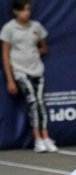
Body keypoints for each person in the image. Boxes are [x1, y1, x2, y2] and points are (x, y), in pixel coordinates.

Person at [0, 0, 57, 152]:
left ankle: (46, 138)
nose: (27, 13)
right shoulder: (8, 29)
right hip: (20, 72)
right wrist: (10, 80)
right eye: (24, 10)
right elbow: (5, 56)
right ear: (16, 12)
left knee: (40, 103)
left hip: (37, 70)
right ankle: (38, 139)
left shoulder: (36, 27)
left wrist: (39, 50)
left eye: (29, 10)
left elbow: (43, 46)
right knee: (33, 102)